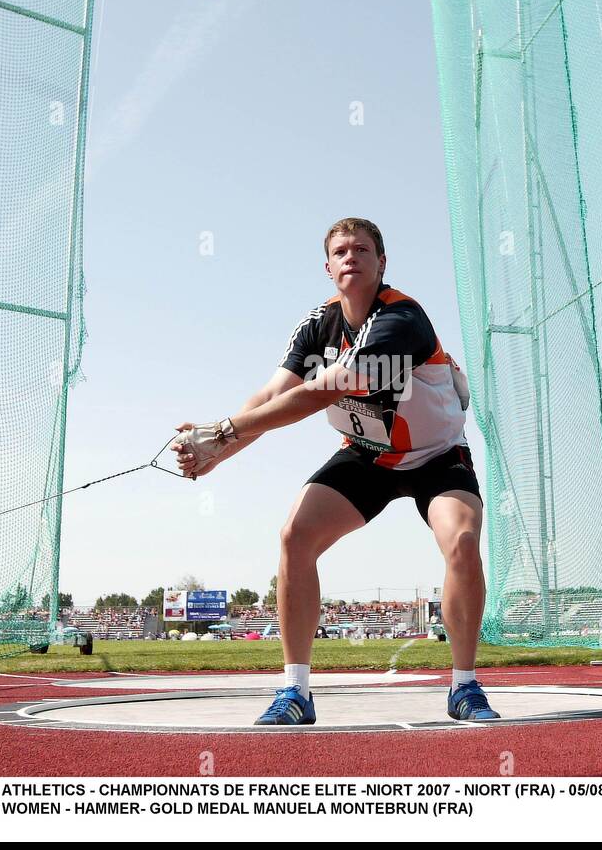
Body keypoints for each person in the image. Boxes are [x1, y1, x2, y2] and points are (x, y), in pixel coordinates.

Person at [172, 217, 498, 725]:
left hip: (436, 456)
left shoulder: (402, 319)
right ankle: (295, 692)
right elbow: (272, 396)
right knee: (294, 537)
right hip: (367, 454)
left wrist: (223, 431)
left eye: (362, 249)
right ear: (327, 267)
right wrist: (218, 450)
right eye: (341, 250)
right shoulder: (316, 326)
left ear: (381, 262)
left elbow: (320, 393)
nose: (351, 256)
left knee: (460, 542)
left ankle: (465, 686)